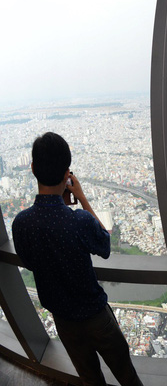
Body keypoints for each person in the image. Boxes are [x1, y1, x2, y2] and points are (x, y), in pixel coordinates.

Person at [12, 132, 143, 386]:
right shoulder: (78, 221)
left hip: (64, 322)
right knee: (127, 376)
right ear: (66, 175)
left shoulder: (21, 223)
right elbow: (104, 245)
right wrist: (81, 198)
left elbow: (29, 262)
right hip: (96, 318)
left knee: (90, 380)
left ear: (32, 169)